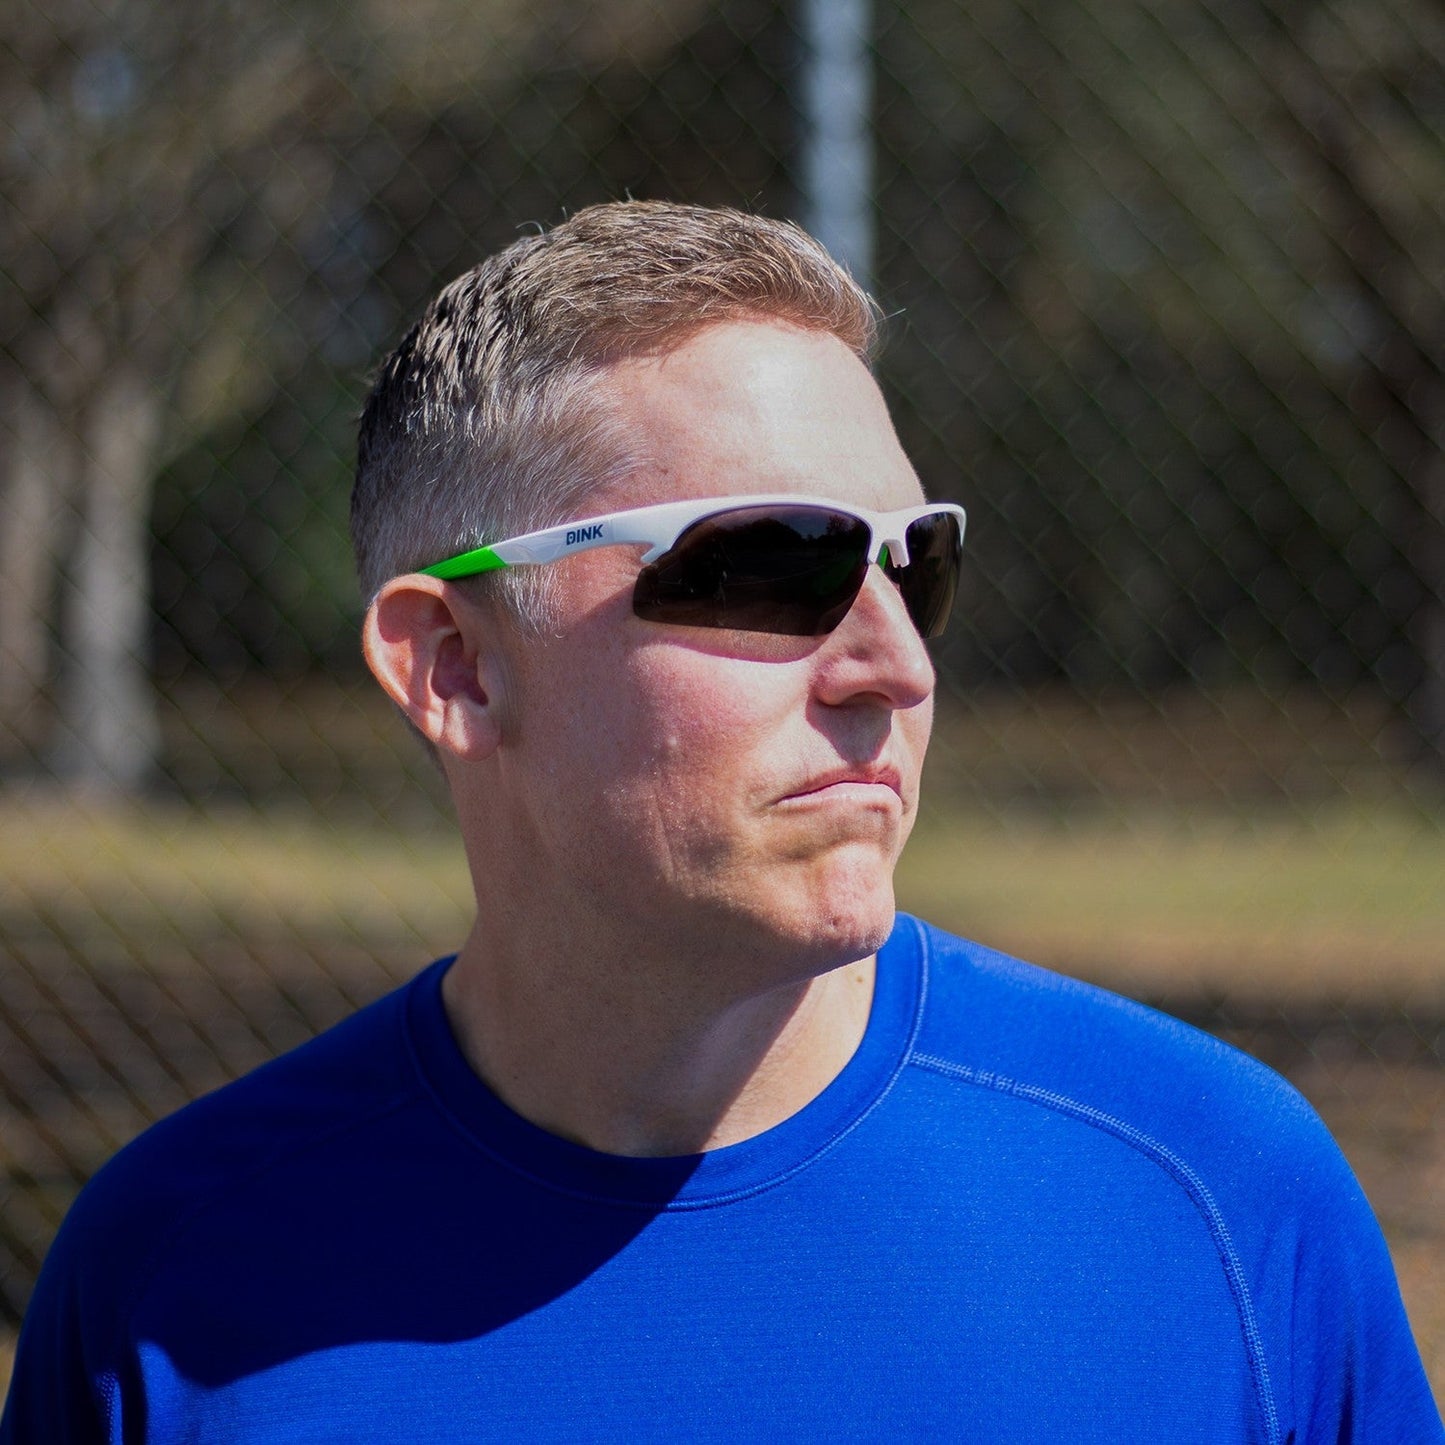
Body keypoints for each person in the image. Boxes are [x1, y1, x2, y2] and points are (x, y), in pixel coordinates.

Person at [2, 201, 1439, 1444]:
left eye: (912, 563)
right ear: (456, 665)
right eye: (773, 562)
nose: (895, 663)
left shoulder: (1214, 1201)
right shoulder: (178, 1281)